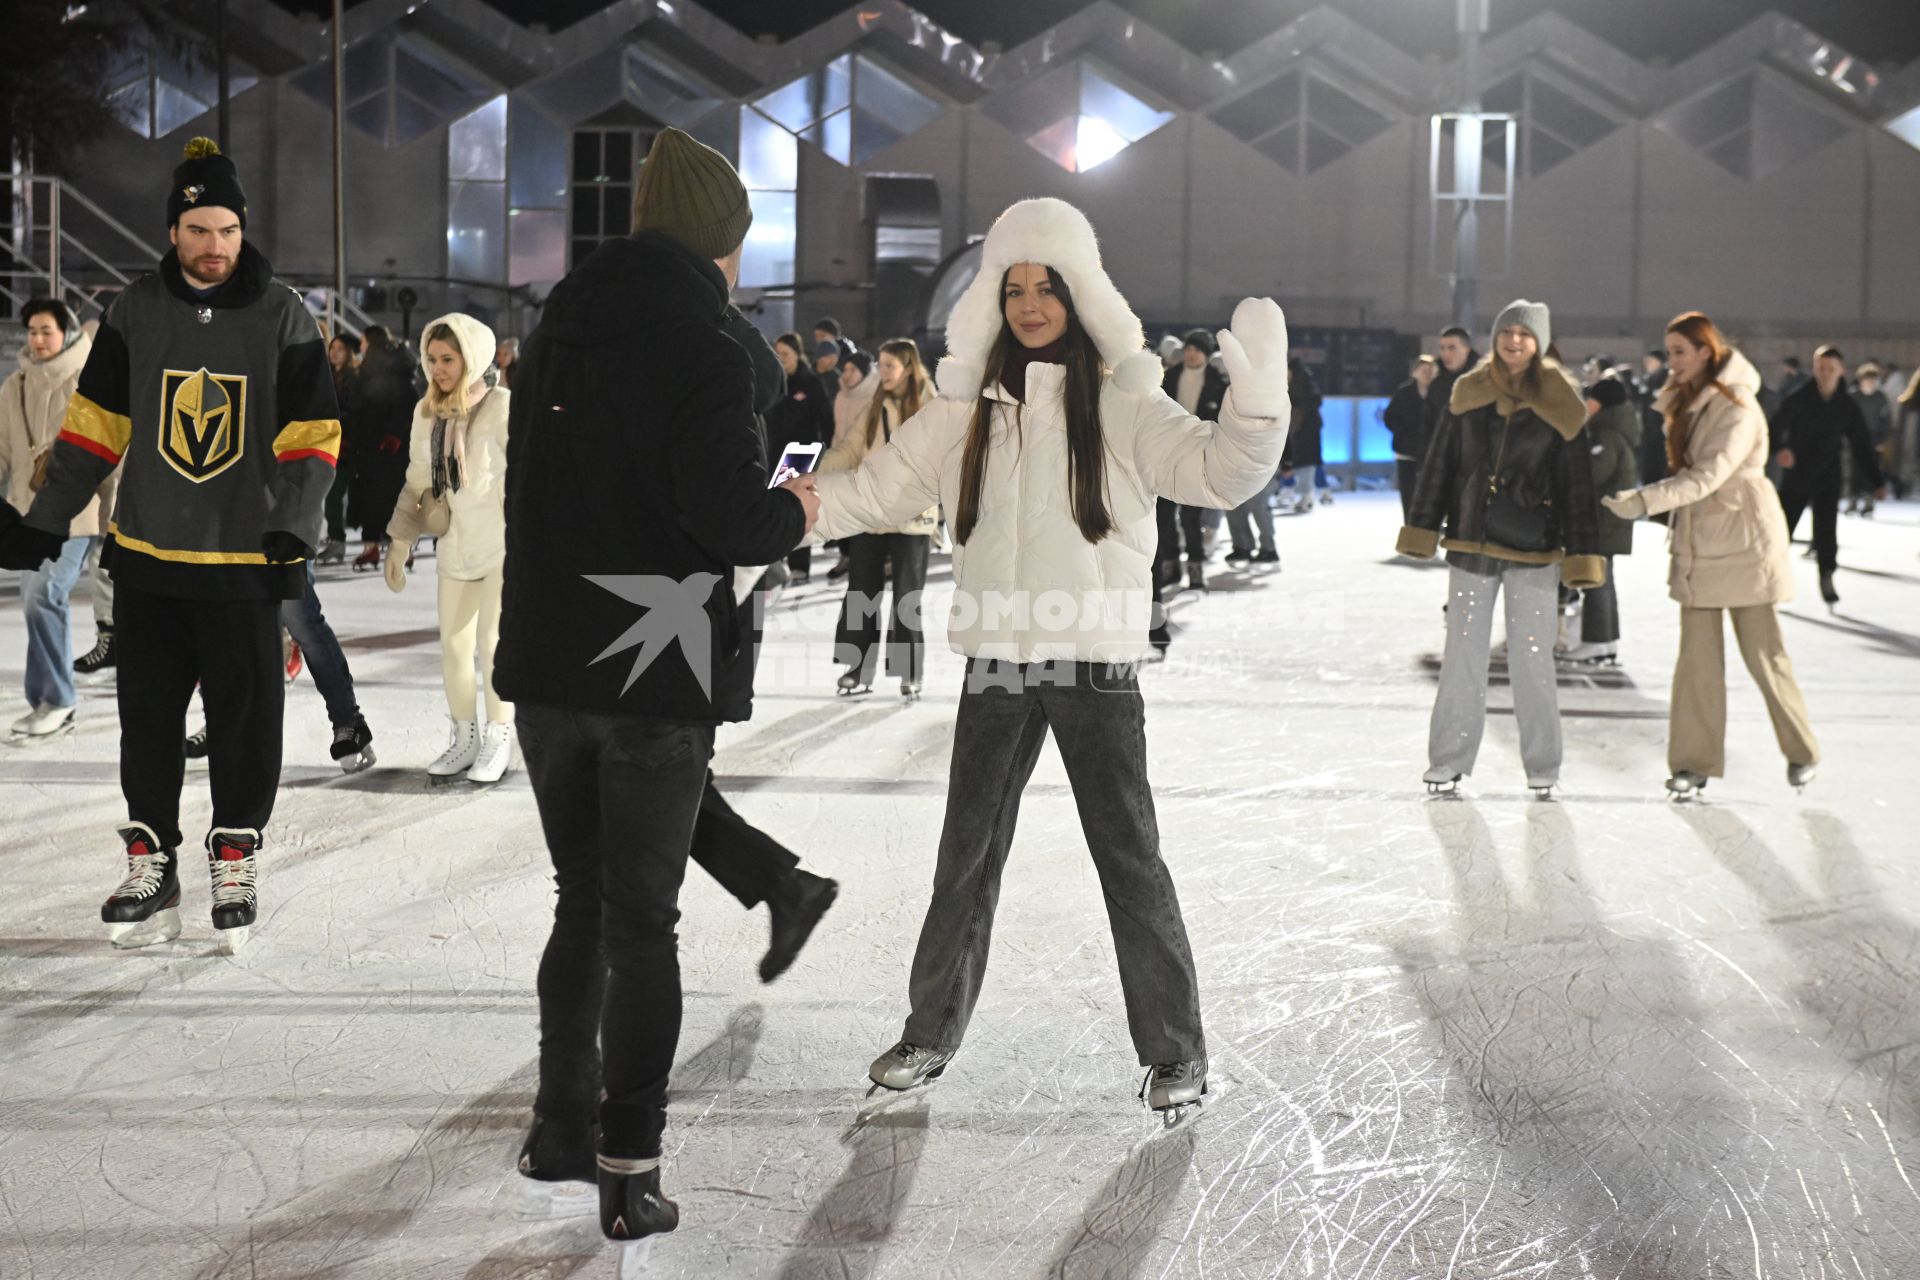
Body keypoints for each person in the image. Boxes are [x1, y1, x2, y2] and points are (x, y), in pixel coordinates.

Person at [807, 196, 1291, 1121]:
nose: (1031, 305)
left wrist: (1257, 410)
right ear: (993, 299)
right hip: (996, 658)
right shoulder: (961, 414)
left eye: (1048, 287)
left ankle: (1176, 1050)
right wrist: (788, 508)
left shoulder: (1123, 403)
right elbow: (872, 491)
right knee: (965, 858)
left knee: (1128, 856)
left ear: (1082, 295)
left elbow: (1219, 475)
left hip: (1093, 663)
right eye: (1014, 287)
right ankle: (930, 1031)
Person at [490, 126, 817, 1248]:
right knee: (643, 923)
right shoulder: (710, 343)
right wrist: (799, 510)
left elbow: (525, 495)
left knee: (580, 904)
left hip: (548, 659)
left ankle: (557, 1127)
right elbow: (729, 516)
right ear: (724, 236)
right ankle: (630, 1167)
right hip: (653, 655)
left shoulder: (557, 324)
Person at [0, 137, 340, 951]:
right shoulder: (135, 310)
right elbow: (94, 431)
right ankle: (153, 859)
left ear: (242, 228)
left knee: (244, 724)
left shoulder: (283, 312)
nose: (214, 245)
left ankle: (235, 857)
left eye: (226, 229)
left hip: (244, 563)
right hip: (148, 557)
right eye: (198, 230)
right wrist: (49, 516)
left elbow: (314, 434)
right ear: (173, 232)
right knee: (148, 724)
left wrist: (294, 525)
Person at [1599, 312, 1819, 799]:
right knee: (1696, 663)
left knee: (1766, 657)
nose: (1670, 361)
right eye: (1669, 351)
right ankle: (1694, 764)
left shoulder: (1736, 404)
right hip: (1699, 540)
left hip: (1743, 541)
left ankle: (1801, 750)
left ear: (1706, 352)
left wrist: (1641, 502)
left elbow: (1708, 476)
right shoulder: (1687, 401)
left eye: (1680, 351)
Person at [1396, 299, 1605, 797]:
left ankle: (1543, 766)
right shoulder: (1468, 391)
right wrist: (1422, 526)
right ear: (1495, 338)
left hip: (1535, 549)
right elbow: (1440, 465)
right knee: (1461, 654)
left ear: (1539, 343)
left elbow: (1578, 485)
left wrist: (1582, 553)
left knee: (1532, 659)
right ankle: (1447, 760)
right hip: (1471, 541)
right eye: (1507, 332)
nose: (1514, 341)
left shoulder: (1562, 399)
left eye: (1525, 335)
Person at [384, 313, 515, 784]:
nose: (438, 369)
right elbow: (418, 481)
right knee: (454, 648)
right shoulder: (427, 413)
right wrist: (400, 542)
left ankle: (500, 735)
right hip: (456, 548)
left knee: (493, 644)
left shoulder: (501, 405)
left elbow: (528, 476)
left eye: (448, 359)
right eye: (432, 359)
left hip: (503, 547)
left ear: (473, 358)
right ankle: (466, 737)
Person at [1, 299, 107, 740]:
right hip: (26, 512)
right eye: (32, 331)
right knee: (34, 599)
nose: (38, 340)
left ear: (66, 333)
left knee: (45, 594)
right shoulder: (16, 384)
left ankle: (60, 700)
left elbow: (107, 450)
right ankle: (46, 698)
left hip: (73, 512)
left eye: (47, 330)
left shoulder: (88, 383)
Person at [820, 338, 938, 698]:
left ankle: (908, 671)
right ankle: (857, 669)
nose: (883, 372)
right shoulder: (875, 404)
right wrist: (817, 473)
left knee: (906, 595)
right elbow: (852, 449)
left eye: (890, 366)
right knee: (861, 592)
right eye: (881, 365)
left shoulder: (930, 407)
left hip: (912, 516)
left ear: (907, 368)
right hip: (870, 514)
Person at [1770, 344, 1885, 605]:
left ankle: (1827, 575)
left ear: (1841, 371)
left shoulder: (1846, 406)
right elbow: (1774, 427)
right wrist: (1780, 449)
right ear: (1814, 368)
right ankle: (1772, 579)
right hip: (1797, 474)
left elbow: (1861, 444)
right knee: (1781, 530)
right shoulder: (1798, 398)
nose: (1824, 373)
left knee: (1825, 531)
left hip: (1827, 476)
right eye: (1821, 368)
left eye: (1830, 369)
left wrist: (1877, 481)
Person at [1562, 377, 1640, 665]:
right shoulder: (1612, 431)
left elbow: (1594, 474)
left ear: (1601, 403)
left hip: (1601, 519)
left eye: (1590, 399)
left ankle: (1596, 642)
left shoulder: (1606, 435)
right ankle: (1605, 642)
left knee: (1596, 580)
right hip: (1606, 519)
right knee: (1602, 580)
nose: (1585, 404)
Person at [1161, 329, 1233, 579]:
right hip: (1167, 453)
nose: (1191, 354)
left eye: (1197, 350)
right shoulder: (1169, 377)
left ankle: (1195, 566)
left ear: (1205, 353)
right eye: (1189, 349)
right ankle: (1170, 563)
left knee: (1191, 516)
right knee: (1165, 514)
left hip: (1198, 454)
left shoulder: (1217, 382)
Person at [348, 325, 418, 572]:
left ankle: (377, 548)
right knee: (390, 496)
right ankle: (391, 548)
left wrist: (392, 433)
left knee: (376, 496)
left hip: (378, 444)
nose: (361, 346)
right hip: (385, 445)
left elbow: (396, 402)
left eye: (363, 341)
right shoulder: (398, 367)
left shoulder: (377, 370)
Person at [767, 332, 833, 584]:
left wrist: (824, 452)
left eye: (786, 354)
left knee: (798, 506)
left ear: (798, 354)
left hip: (801, 453)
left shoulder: (810, 382)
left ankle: (799, 564)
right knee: (775, 505)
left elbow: (825, 418)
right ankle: (777, 560)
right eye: (778, 353)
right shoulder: (773, 379)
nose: (781, 358)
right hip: (774, 451)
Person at [318, 330, 360, 564]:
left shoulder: (352, 378)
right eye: (332, 348)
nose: (334, 353)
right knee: (328, 495)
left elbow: (353, 412)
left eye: (340, 349)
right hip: (328, 443)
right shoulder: (327, 376)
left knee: (334, 495)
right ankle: (336, 540)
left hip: (345, 447)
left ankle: (338, 540)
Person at [1384, 354, 1439, 523]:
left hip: (1432, 451)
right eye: (1423, 371)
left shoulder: (1439, 393)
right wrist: (1401, 433)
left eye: (1430, 371)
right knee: (1408, 491)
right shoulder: (1404, 392)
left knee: (1431, 492)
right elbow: (1390, 417)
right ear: (1414, 373)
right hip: (1406, 450)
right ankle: (1410, 525)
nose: (1427, 374)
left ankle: (1428, 527)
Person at [1277, 358, 1324, 511]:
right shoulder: (1304, 388)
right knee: (1301, 465)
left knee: (1305, 466)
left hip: (1305, 436)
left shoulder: (1301, 391)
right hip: (1301, 435)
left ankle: (1306, 496)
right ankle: (1303, 495)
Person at [1847, 362, 1891, 516]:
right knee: (1855, 472)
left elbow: (1886, 421)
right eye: (1867, 380)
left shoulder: (1880, 398)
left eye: (1873, 381)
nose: (1870, 383)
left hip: (1874, 441)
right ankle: (1852, 501)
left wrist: (1882, 440)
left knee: (1872, 472)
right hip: (1855, 440)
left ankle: (1868, 503)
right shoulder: (1853, 396)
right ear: (1861, 380)